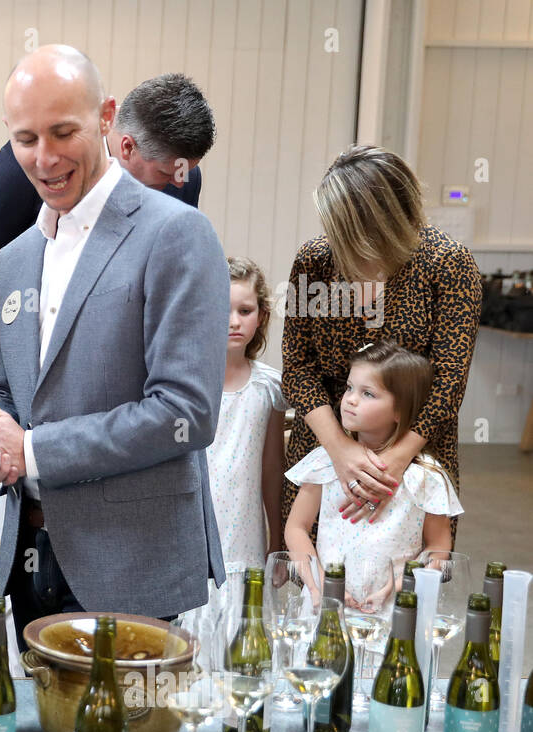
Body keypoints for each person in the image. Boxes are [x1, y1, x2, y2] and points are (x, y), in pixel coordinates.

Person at [0, 46, 228, 641]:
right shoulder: (14, 258)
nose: (45, 158)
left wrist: (30, 449)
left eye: (63, 132)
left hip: (130, 564)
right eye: (26, 139)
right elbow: (2, 385)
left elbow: (185, 413)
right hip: (28, 559)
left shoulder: (176, 234)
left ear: (107, 118)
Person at [0, 72, 215, 374]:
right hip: (28, 362)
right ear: (127, 147)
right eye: (166, 175)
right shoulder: (38, 161)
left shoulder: (182, 176)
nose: (177, 183)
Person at [281, 146, 481, 540]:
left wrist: (392, 462)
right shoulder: (315, 260)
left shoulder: (447, 263)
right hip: (324, 446)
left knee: (401, 578)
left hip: (412, 449)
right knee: (319, 579)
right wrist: (340, 449)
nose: (335, 239)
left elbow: (447, 382)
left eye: (346, 228)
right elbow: (297, 367)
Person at [285, 341, 461, 600]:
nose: (350, 400)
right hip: (327, 605)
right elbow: (296, 527)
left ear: (400, 410)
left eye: (368, 393)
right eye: (349, 388)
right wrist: (320, 584)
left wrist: (402, 587)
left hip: (395, 610)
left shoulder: (425, 477)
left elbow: (438, 547)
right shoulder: (325, 463)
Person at [186, 257, 287, 630]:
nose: (233, 321)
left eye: (245, 310)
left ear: (260, 316)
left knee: (242, 648)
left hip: (244, 540)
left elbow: (272, 469)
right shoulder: (186, 384)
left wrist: (277, 536)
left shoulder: (268, 388)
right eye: (221, 309)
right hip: (191, 539)